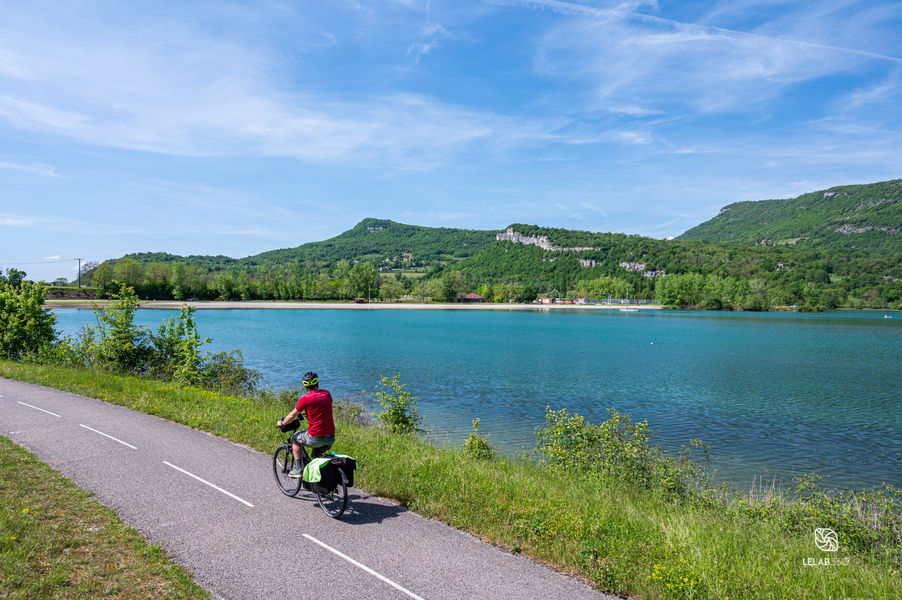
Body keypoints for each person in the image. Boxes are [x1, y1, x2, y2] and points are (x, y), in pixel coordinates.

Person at [277, 371, 335, 478]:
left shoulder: (306, 398)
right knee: (316, 456)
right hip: (331, 437)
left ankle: (298, 468)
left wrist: (282, 423)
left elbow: (291, 416)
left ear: (305, 385)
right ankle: (323, 482)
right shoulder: (327, 394)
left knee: (296, 438)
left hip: (316, 437)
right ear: (317, 382)